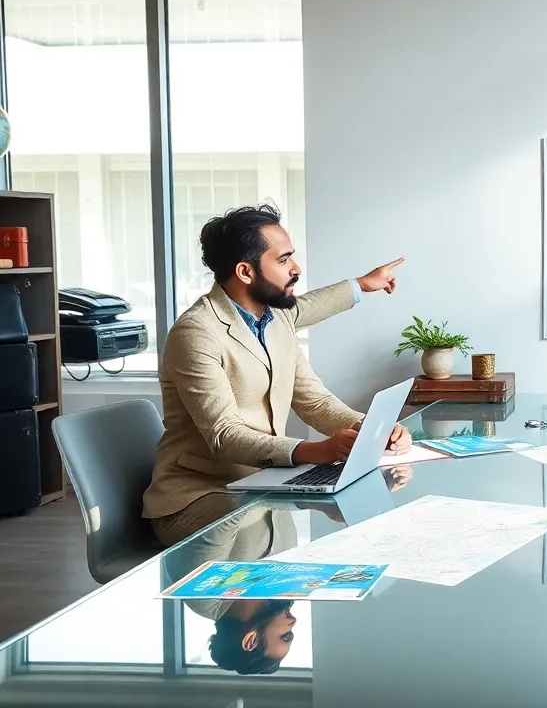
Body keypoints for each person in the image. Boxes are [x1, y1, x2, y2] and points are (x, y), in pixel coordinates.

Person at [143, 204, 413, 546]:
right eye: (283, 260)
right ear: (245, 272)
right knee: (238, 583)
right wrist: (316, 451)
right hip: (199, 496)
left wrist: (370, 429)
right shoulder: (195, 333)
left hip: (266, 486)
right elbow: (225, 435)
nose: (296, 268)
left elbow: (314, 402)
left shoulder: (276, 318)